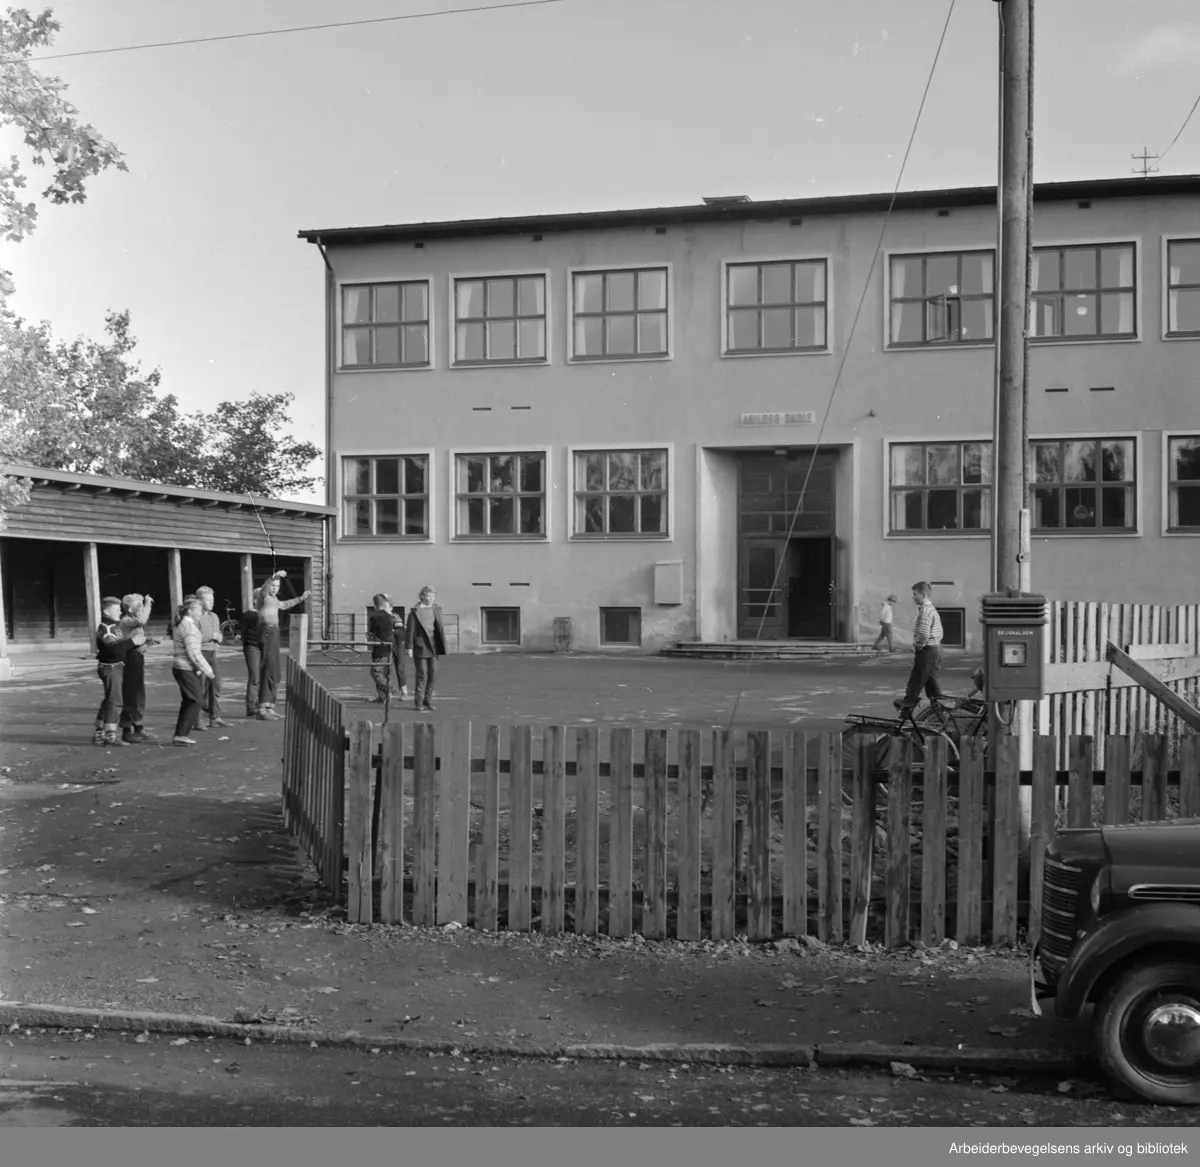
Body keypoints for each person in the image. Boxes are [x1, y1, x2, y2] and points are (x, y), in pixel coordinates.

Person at [254, 570, 311, 721]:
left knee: (275, 671)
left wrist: (301, 598)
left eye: (277, 585)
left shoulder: (274, 599)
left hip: (275, 632)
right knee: (268, 668)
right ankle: (262, 708)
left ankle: (270, 706)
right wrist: (274, 575)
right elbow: (266, 587)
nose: (275, 588)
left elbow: (285, 605)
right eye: (273, 585)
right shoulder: (264, 596)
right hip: (267, 632)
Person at [171, 596, 216, 746]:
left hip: (184, 667)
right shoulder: (188, 627)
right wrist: (207, 670)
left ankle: (181, 734)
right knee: (196, 699)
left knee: (189, 700)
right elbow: (193, 653)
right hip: (184, 667)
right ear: (190, 611)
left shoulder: (185, 624)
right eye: (199, 609)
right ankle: (181, 734)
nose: (201, 612)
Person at [894, 580, 945, 713]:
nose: (913, 597)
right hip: (935, 649)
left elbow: (923, 633)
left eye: (915, 594)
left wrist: (918, 646)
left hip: (928, 649)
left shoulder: (926, 611)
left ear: (923, 595)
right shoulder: (930, 609)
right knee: (930, 681)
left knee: (917, 677)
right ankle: (939, 709)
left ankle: (909, 702)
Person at [118, 593, 157, 744]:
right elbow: (141, 620)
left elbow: (136, 639)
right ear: (129, 608)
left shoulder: (132, 621)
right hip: (129, 659)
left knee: (139, 693)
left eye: (142, 606)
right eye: (138, 606)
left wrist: (148, 643)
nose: (141, 609)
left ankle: (138, 727)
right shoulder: (126, 620)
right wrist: (148, 604)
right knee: (131, 694)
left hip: (137, 657)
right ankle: (127, 730)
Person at [92, 596, 131, 747]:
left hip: (116, 666)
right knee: (115, 701)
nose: (120, 612)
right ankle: (111, 735)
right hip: (111, 667)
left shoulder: (115, 626)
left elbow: (121, 646)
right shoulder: (106, 628)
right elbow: (114, 649)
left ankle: (99, 733)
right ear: (107, 610)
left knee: (109, 700)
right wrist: (133, 642)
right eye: (117, 609)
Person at [404, 585, 446, 712]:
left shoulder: (436, 609)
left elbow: (439, 627)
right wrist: (409, 647)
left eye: (433, 596)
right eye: (429, 596)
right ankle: (418, 703)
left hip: (433, 646)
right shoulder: (415, 612)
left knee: (433, 673)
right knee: (422, 673)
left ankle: (428, 700)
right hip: (420, 646)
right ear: (422, 596)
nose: (432, 598)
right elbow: (410, 631)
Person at [194, 586, 230, 730]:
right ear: (199, 601)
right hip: (200, 653)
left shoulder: (214, 616)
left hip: (212, 653)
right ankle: (197, 720)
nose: (211, 602)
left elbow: (219, 635)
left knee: (215, 685)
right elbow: (194, 637)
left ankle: (215, 717)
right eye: (207, 599)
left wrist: (219, 638)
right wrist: (211, 637)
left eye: (212, 599)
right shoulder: (196, 616)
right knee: (200, 688)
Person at [367, 593, 399, 704]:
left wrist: (369, 636)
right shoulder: (391, 617)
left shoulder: (374, 617)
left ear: (375, 605)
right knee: (385, 673)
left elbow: (372, 634)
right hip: (389, 648)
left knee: (376, 672)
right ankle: (383, 697)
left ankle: (389, 689)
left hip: (379, 648)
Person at [240, 590, 263, 719]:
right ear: (255, 600)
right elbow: (242, 630)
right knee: (255, 676)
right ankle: (251, 706)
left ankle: (263, 704)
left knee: (263, 676)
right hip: (252, 647)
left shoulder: (266, 614)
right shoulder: (249, 615)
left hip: (264, 647)